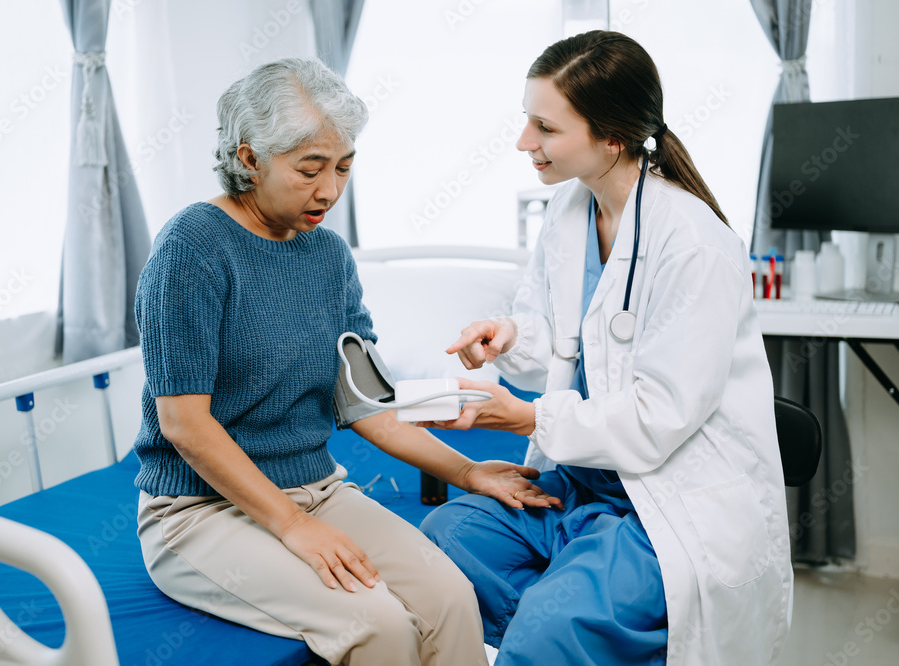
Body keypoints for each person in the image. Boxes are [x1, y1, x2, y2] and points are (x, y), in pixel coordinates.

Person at [132, 57, 557, 666]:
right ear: (248, 159)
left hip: (316, 489)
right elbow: (185, 426)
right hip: (199, 512)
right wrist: (293, 526)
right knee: (376, 624)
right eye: (310, 169)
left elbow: (365, 405)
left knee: (451, 599)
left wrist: (468, 472)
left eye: (344, 167)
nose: (330, 190)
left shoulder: (328, 256)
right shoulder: (192, 249)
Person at [419, 32, 792, 665]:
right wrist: (511, 335)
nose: (523, 143)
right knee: (445, 540)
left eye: (545, 127)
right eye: (526, 121)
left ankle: (556, 632)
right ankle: (566, 633)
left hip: (662, 504)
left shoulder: (694, 245)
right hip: (581, 486)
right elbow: (563, 337)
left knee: (548, 627)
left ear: (612, 138)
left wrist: (527, 415)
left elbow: (659, 418)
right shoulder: (570, 208)